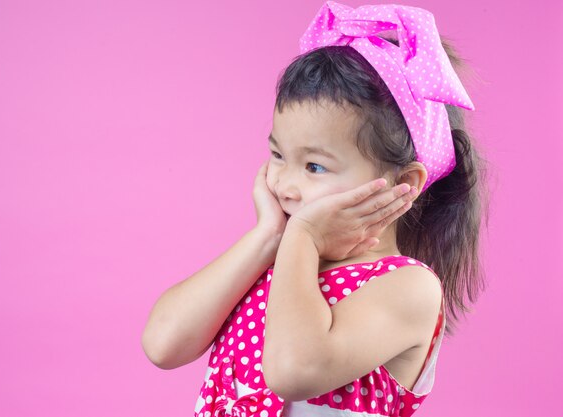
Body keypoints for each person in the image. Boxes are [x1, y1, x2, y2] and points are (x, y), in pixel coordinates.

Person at [142, 2, 487, 416]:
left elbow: (293, 370)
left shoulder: (409, 288)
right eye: (277, 155)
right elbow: (163, 344)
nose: (285, 184)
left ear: (403, 184)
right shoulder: (273, 262)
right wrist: (268, 236)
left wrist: (302, 236)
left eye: (314, 166)